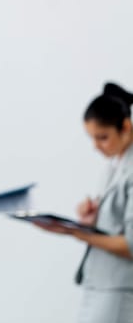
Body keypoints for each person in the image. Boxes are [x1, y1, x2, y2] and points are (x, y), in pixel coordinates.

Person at [35, 82, 133, 323]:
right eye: (92, 138)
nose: (96, 146)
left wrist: (78, 234)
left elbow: (131, 245)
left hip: (119, 289)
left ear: (126, 128)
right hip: (99, 282)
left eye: (103, 138)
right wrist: (91, 221)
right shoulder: (114, 164)